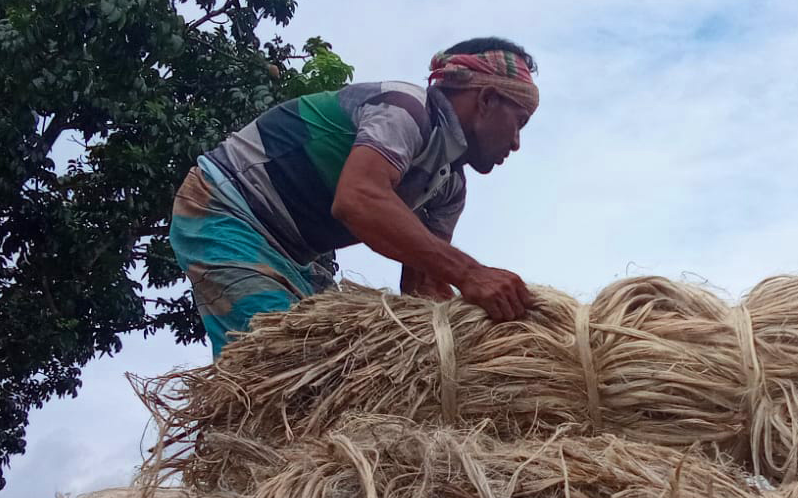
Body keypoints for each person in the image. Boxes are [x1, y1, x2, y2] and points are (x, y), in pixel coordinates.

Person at [170, 37, 539, 357]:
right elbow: (358, 199)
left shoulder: (448, 186)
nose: (517, 143)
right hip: (227, 208)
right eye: (519, 121)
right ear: (487, 100)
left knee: (339, 364)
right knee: (276, 360)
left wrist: (476, 340)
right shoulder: (405, 111)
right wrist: (471, 273)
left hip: (293, 254)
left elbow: (423, 288)